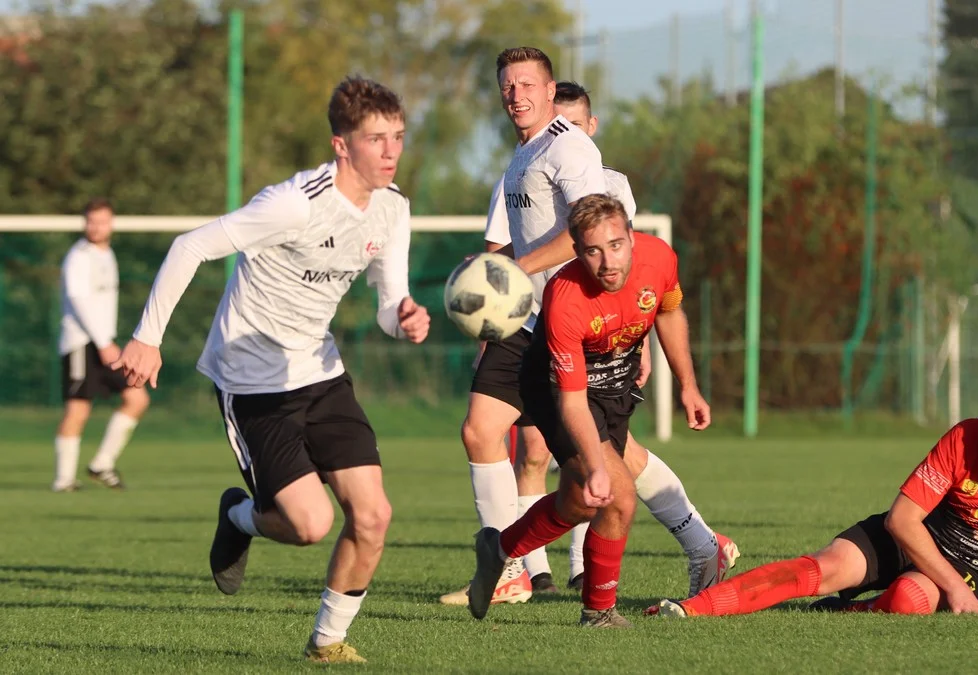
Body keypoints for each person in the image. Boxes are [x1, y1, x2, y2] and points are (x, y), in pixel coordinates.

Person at [111, 76, 431, 663]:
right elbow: (189, 246)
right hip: (253, 382)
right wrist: (147, 338)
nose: (391, 151)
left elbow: (390, 305)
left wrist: (404, 317)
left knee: (374, 516)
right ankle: (239, 517)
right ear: (341, 145)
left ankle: (327, 644)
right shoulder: (293, 204)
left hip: (320, 373)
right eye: (376, 139)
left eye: (399, 136)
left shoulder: (392, 208)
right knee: (308, 525)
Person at [440, 49, 736, 607]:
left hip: (577, 322)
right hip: (528, 320)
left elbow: (587, 235)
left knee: (607, 472)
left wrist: (514, 271)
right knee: (482, 432)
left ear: (550, 91)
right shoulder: (523, 154)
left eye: (528, 84)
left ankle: (697, 547)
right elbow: (523, 241)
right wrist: (498, 279)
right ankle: (509, 569)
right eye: (508, 86)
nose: (516, 95)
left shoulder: (569, 146)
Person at [648, 382, 978, 619]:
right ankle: (690, 609)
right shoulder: (965, 436)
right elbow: (904, 520)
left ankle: (852, 613)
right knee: (823, 567)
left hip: (975, 567)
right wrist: (954, 590)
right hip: (914, 535)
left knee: (909, 600)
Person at [468, 193, 711, 628]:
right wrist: (597, 465)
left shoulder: (659, 257)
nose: (608, 262)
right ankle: (598, 612)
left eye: (615, 245)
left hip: (614, 385)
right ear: (576, 252)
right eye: (593, 251)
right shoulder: (566, 297)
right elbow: (573, 400)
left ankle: (500, 549)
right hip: (557, 390)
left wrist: (688, 386)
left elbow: (669, 311)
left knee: (579, 502)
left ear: (631, 237)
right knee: (617, 495)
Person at [53, 197, 151, 492]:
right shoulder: (78, 257)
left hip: (105, 343)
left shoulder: (107, 254)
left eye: (102, 222)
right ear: (85, 223)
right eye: (92, 221)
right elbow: (79, 301)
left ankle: (101, 464)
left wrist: (107, 342)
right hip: (82, 343)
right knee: (78, 410)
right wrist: (103, 342)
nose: (96, 227)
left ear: (111, 223)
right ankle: (64, 480)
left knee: (137, 399)